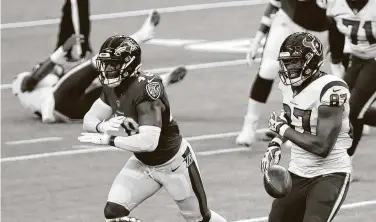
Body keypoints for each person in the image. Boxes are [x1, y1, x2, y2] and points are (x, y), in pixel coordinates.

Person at [78, 35, 227, 222]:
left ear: (129, 65)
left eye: (113, 64)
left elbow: (148, 142)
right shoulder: (112, 87)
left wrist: (109, 139)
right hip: (143, 164)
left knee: (200, 218)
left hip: (173, 163)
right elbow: (89, 119)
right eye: (106, 63)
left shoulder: (147, 89)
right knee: (113, 212)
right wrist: (102, 126)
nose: (107, 69)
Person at [12, 11, 187, 123]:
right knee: (99, 61)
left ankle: (161, 82)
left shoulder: (51, 86)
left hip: (74, 113)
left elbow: (75, 81)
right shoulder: (22, 83)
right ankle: (141, 36)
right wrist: (62, 51)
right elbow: (31, 81)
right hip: (58, 103)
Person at [261, 32, 352, 222]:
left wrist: (282, 129)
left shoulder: (331, 88)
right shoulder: (287, 86)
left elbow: (322, 147)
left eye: (294, 62)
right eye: (286, 63)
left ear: (311, 61)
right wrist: (276, 142)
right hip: (297, 171)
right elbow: (291, 117)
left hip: (330, 173)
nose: (288, 68)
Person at [235, 0, 338, 147]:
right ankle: (249, 125)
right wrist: (258, 38)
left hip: (320, 29)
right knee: (269, 68)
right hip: (288, 19)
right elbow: (274, 4)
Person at [319, 0, 376, 158]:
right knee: (341, 108)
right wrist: (336, 62)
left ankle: (344, 164)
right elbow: (334, 30)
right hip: (357, 58)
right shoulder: (335, 3)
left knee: (354, 110)